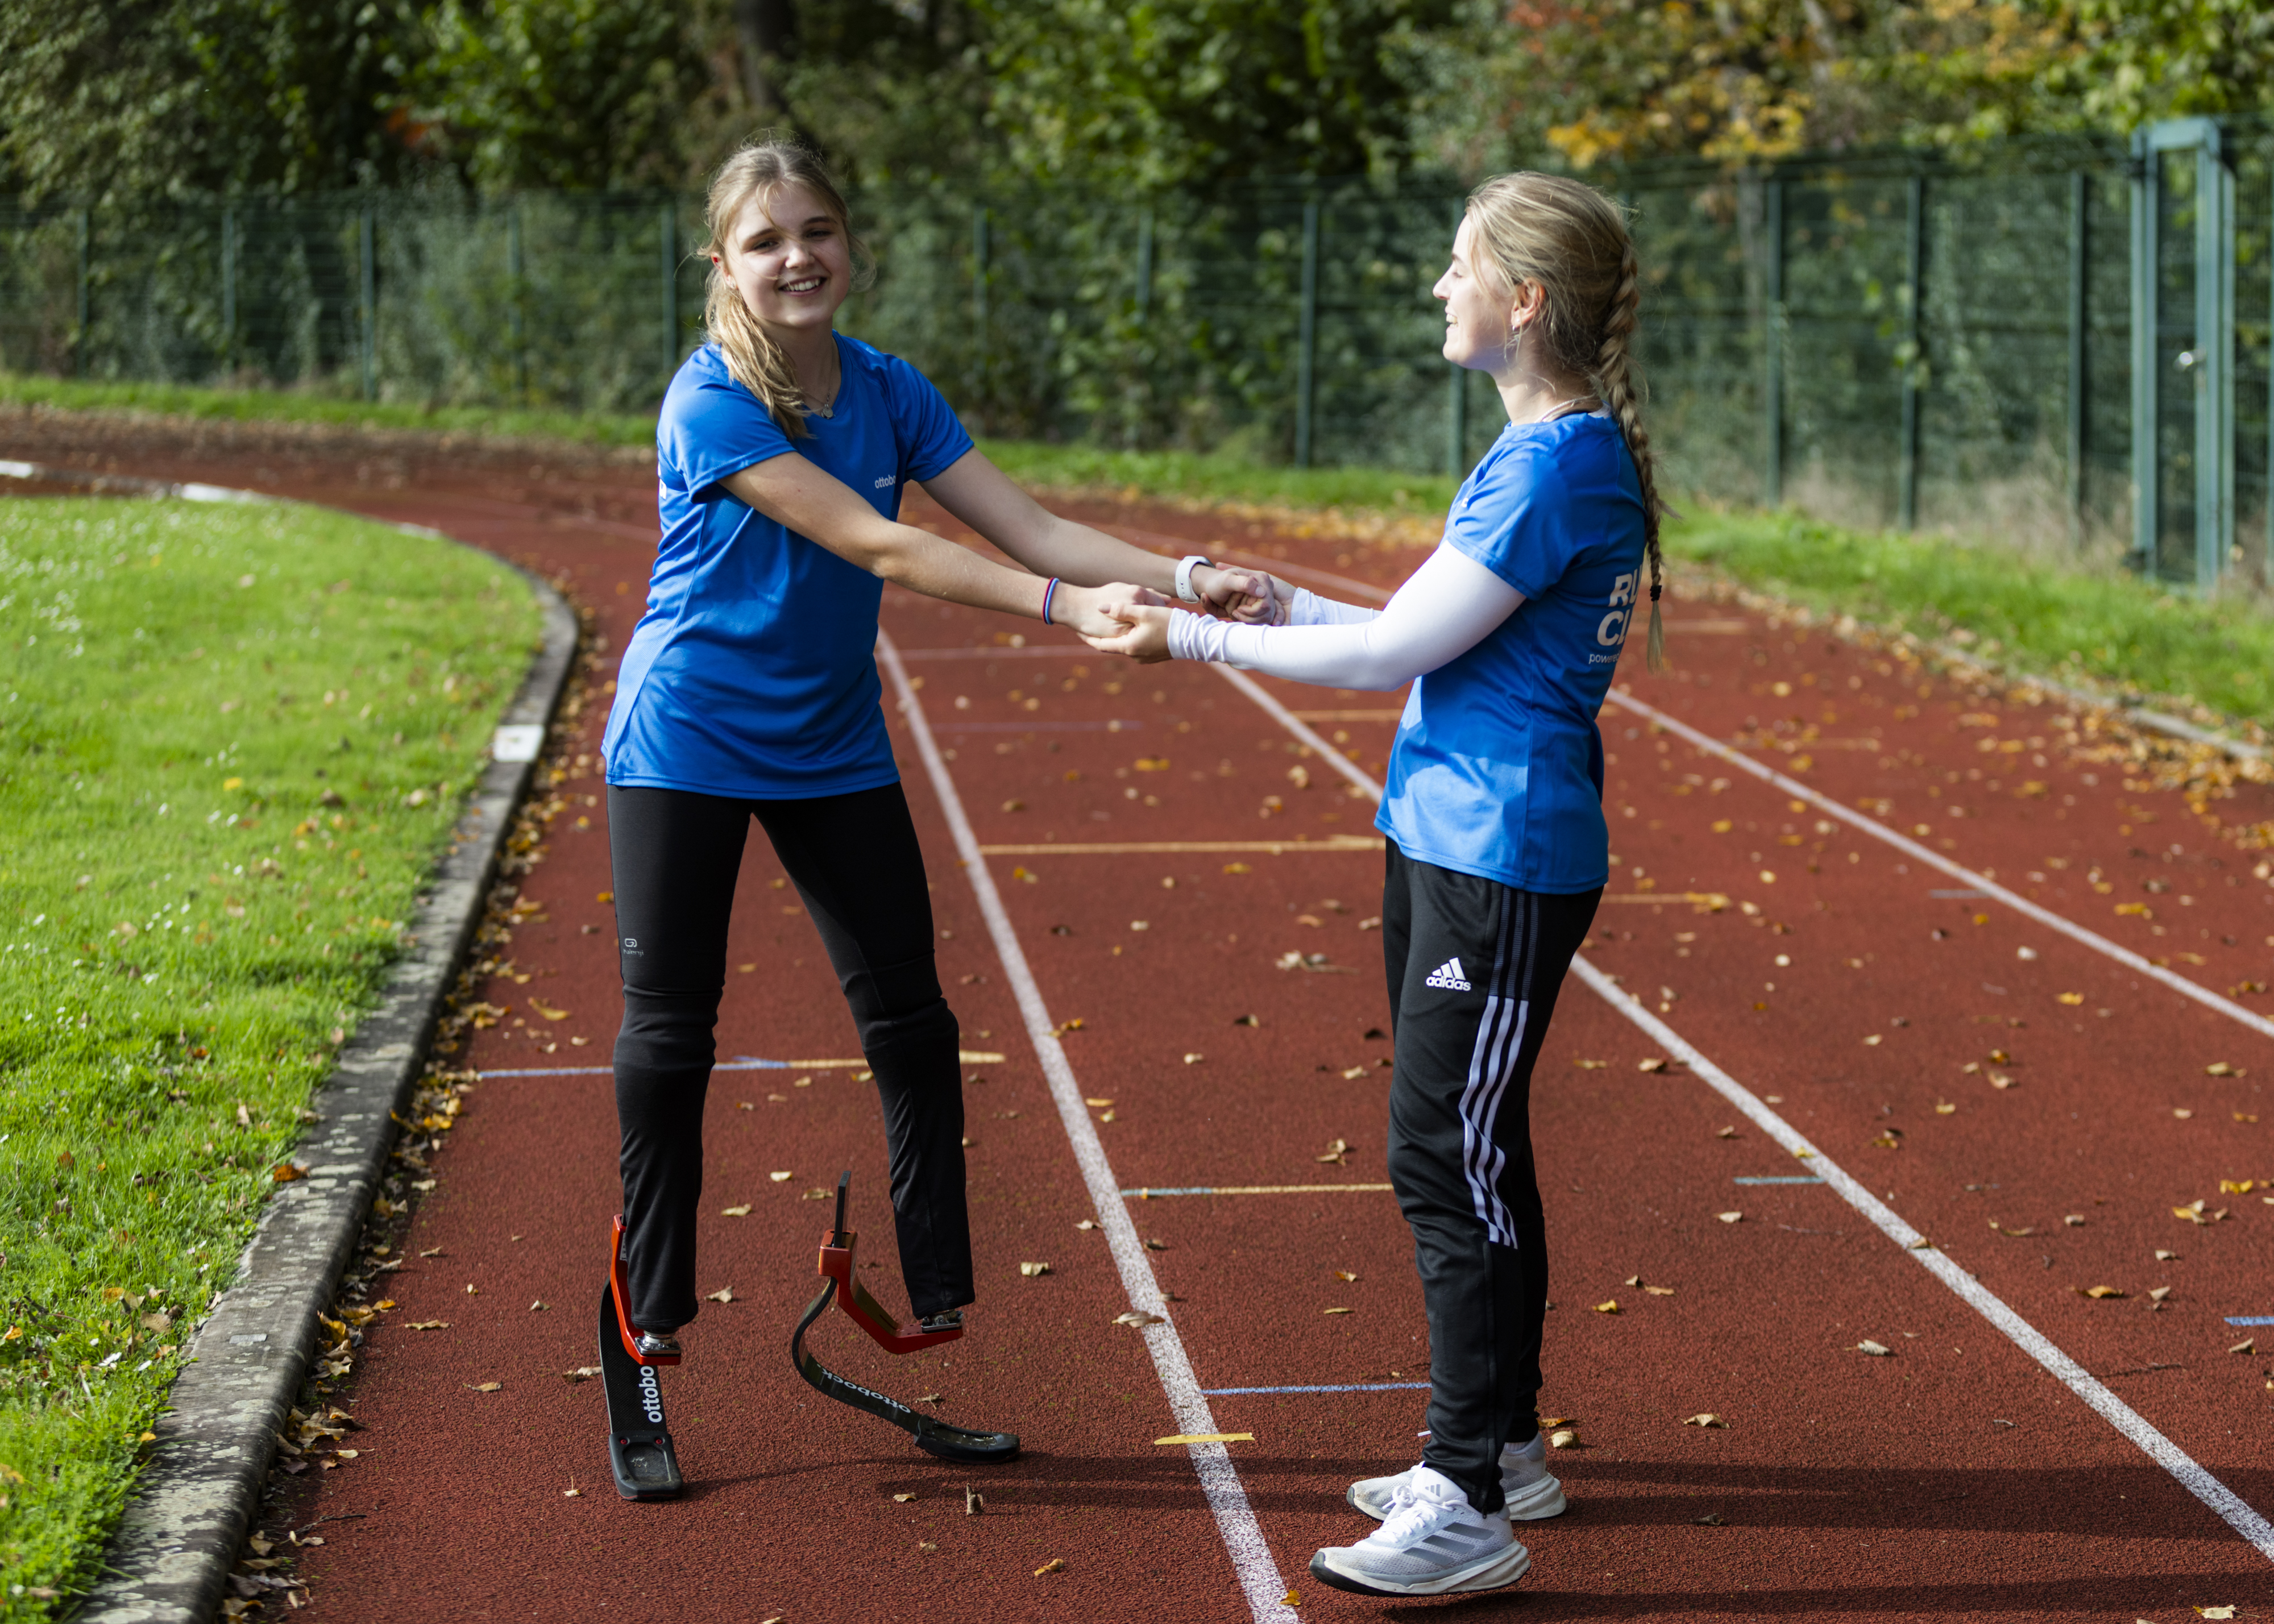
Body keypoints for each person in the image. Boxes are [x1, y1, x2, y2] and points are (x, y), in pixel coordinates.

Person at [1084, 171, 1665, 1598]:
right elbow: (1420, 631)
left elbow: (1390, 658)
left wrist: (1190, 642)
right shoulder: (1545, 450)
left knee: (1438, 1157)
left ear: (1522, 300)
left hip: (1498, 851)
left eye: (1455, 264)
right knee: (1472, 1150)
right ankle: (1500, 1445)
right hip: (1450, 837)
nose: (1434, 285)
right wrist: (1277, 605)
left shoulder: (1553, 464)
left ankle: (1466, 1498)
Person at [600, 138, 1271, 1366]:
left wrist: (1184, 578)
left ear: (849, 244)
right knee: (671, 1026)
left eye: (815, 232)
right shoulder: (710, 400)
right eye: (764, 241)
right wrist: (1062, 612)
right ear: (722, 263)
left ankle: (936, 1287)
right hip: (686, 734)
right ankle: (651, 1308)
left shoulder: (890, 389)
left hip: (830, 738)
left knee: (909, 1012)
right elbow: (880, 546)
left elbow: (1030, 524)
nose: (795, 257)